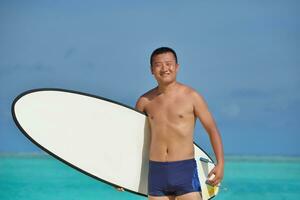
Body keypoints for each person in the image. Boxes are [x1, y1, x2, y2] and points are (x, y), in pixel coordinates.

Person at [135, 47, 224, 200]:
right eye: (159, 65)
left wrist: (220, 163)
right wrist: (121, 174)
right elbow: (135, 139)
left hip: (184, 170)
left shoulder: (192, 97)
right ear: (151, 70)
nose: (164, 68)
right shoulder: (144, 102)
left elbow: (212, 129)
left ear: (177, 67)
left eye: (169, 64)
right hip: (156, 172)